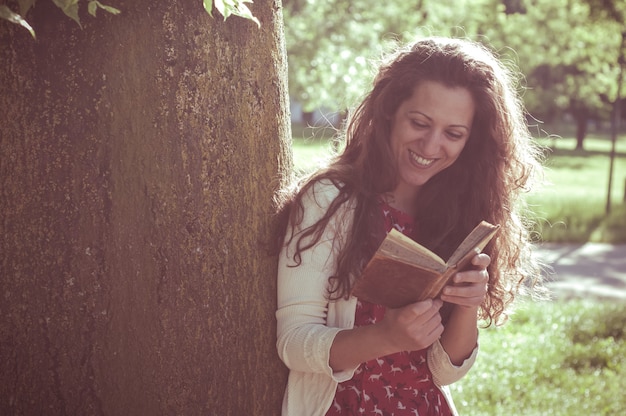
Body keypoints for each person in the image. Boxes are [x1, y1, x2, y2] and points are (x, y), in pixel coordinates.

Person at [274, 36, 545, 416]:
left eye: (453, 134)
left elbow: (443, 372)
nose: (431, 146)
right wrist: (385, 337)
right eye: (419, 123)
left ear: (473, 141)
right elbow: (292, 343)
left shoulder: (458, 211)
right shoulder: (329, 199)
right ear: (388, 112)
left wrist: (467, 304)